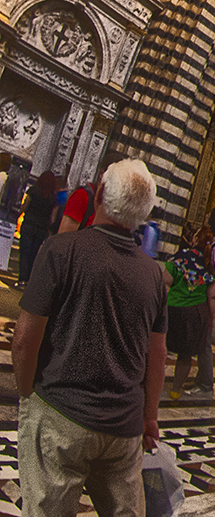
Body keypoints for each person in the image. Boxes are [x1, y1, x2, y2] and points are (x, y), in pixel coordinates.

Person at [13, 158, 167, 517]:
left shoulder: (60, 250)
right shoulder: (154, 275)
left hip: (61, 413)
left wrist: (26, 391)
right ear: (144, 214)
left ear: (99, 195)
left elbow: (24, 339)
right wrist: (149, 417)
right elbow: (157, 355)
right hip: (124, 428)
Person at [164, 228, 214, 399]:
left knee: (161, 346)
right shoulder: (208, 262)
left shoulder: (182, 256)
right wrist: (211, 317)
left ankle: (149, 382)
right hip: (196, 313)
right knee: (185, 355)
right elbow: (212, 295)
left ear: (195, 239)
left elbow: (166, 279)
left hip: (174, 308)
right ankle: (175, 389)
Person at [190, 207, 215, 396]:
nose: (206, 218)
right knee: (201, 342)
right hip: (207, 301)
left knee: (204, 344)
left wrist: (214, 306)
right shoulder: (213, 246)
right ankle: (200, 380)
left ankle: (206, 384)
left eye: (209, 218)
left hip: (210, 303)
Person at [16, 170, 58, 283]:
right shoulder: (53, 198)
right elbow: (53, 218)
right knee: (33, 254)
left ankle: (22, 278)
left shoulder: (33, 191)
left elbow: (24, 206)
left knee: (24, 252)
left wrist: (18, 213)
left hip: (29, 224)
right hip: (41, 229)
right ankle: (29, 278)